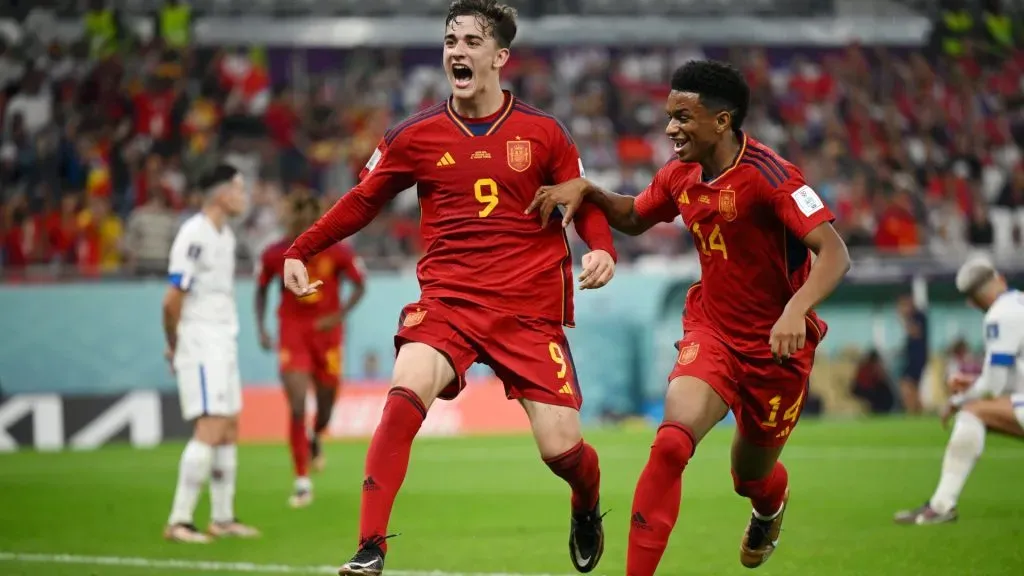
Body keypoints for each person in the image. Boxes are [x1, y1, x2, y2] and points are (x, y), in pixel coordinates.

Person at [281, 1, 618, 574]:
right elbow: (363, 200)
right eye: (449, 41)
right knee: (404, 394)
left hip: (528, 309)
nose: (456, 51)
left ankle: (585, 505)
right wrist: (301, 248)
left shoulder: (542, 132)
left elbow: (578, 196)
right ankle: (370, 547)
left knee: (562, 452)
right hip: (449, 302)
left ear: (499, 57)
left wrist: (602, 246)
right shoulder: (414, 136)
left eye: (469, 42)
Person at [527, 59, 851, 574]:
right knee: (672, 441)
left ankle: (770, 505)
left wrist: (795, 310)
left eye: (682, 117)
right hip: (713, 331)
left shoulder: (773, 178)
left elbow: (835, 253)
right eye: (669, 116)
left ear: (722, 121)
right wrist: (587, 190)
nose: (670, 128)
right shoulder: (680, 174)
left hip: (777, 348)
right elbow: (635, 216)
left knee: (749, 478)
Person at [162, 164, 259, 543]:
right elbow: (172, 300)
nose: (243, 195)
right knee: (210, 425)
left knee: (229, 426)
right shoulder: (194, 235)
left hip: (223, 338)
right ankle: (180, 520)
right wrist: (175, 343)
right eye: (238, 188)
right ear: (221, 194)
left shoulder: (226, 236)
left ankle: (222, 517)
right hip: (201, 340)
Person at [894, 256, 1024, 525]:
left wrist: (957, 399)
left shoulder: (999, 315)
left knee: (972, 411)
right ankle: (941, 505)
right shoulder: (1018, 303)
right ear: (999, 278)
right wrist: (973, 383)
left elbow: (994, 387)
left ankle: (941, 505)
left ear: (972, 301)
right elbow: (1006, 382)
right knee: (975, 408)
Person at [256, 195, 366, 508]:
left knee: (326, 410)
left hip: (328, 336)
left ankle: (315, 437)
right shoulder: (276, 254)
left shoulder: (339, 251)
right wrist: (262, 327)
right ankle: (302, 481)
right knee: (297, 405)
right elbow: (261, 289)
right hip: (293, 333)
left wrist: (339, 314)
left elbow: (361, 284)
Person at [897, 293, 928, 414]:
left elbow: (915, 332)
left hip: (918, 357)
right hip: (912, 357)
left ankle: (913, 409)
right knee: (912, 386)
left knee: (907, 384)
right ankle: (916, 410)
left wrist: (903, 319)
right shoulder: (915, 317)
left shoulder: (918, 316)